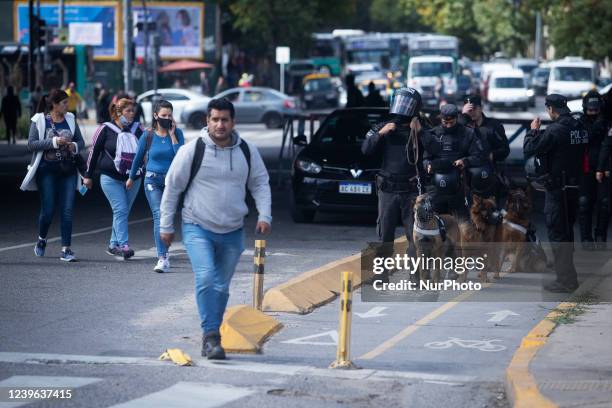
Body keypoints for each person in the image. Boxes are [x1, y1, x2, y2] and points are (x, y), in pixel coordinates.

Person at [159, 97, 272, 359]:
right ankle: (211, 336)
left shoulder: (247, 150)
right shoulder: (192, 150)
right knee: (206, 277)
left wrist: (264, 215)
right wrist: (166, 226)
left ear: (233, 122)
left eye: (225, 119)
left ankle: (212, 335)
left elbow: (260, 183)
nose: (220, 124)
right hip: (197, 225)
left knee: (221, 287)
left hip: (233, 230)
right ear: (207, 121)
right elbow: (172, 186)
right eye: (215, 119)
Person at [524, 94, 588, 293]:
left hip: (558, 190)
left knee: (558, 235)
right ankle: (570, 277)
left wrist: (533, 132)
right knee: (567, 234)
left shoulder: (555, 130)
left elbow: (529, 149)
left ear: (551, 109)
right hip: (575, 188)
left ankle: (565, 281)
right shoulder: (580, 128)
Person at [362, 88, 424, 282]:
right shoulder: (384, 126)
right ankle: (381, 275)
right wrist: (381, 133)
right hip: (388, 189)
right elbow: (366, 149)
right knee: (384, 235)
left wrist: (420, 131)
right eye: (401, 103)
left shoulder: (420, 127)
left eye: (408, 104)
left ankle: (415, 276)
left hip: (410, 190)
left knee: (413, 236)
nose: (403, 109)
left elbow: (435, 148)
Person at [20, 89, 85, 262]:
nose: (67, 105)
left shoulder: (70, 119)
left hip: (68, 171)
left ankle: (66, 249)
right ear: (54, 104)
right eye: (64, 103)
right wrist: (54, 142)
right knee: (48, 210)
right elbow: (31, 144)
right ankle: (42, 239)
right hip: (46, 170)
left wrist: (74, 146)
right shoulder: (40, 120)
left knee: (67, 210)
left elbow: (81, 142)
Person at [83, 98, 144, 260]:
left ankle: (112, 244)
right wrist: (87, 176)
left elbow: (146, 151)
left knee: (122, 212)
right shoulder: (105, 129)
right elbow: (94, 152)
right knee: (121, 210)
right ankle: (123, 245)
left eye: (133, 111)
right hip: (110, 178)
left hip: (134, 178)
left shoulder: (138, 129)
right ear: (119, 112)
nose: (132, 114)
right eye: (128, 111)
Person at [128, 100, 184, 273]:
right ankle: (163, 258)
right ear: (155, 116)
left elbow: (180, 157)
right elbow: (138, 158)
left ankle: (164, 252)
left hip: (171, 183)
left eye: (169, 115)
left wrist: (173, 135)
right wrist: (131, 177)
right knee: (158, 215)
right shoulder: (148, 135)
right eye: (163, 115)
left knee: (167, 217)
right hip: (151, 180)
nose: (167, 118)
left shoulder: (178, 133)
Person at [419, 103, 484, 219]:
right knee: (434, 223)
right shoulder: (433, 134)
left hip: (460, 186)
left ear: (457, 118)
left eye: (451, 122)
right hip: (436, 187)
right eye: (445, 122)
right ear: (440, 119)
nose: (448, 126)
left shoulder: (467, 133)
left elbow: (479, 156)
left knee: (462, 223)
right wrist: (427, 165)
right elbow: (425, 158)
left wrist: (465, 161)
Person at [460, 94, 510, 201]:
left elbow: (505, 149)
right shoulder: (461, 126)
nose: (471, 112)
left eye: (474, 109)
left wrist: (493, 155)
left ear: (480, 108)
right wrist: (463, 116)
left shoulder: (493, 125)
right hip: (467, 173)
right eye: (468, 110)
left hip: (489, 171)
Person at [576, 91, 609, 248]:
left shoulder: (607, 122)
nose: (593, 113)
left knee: (605, 203)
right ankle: (586, 238)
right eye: (590, 110)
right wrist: (598, 125)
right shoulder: (581, 122)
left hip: (604, 169)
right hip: (586, 169)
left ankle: (601, 235)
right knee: (584, 203)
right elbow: (586, 137)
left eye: (596, 110)